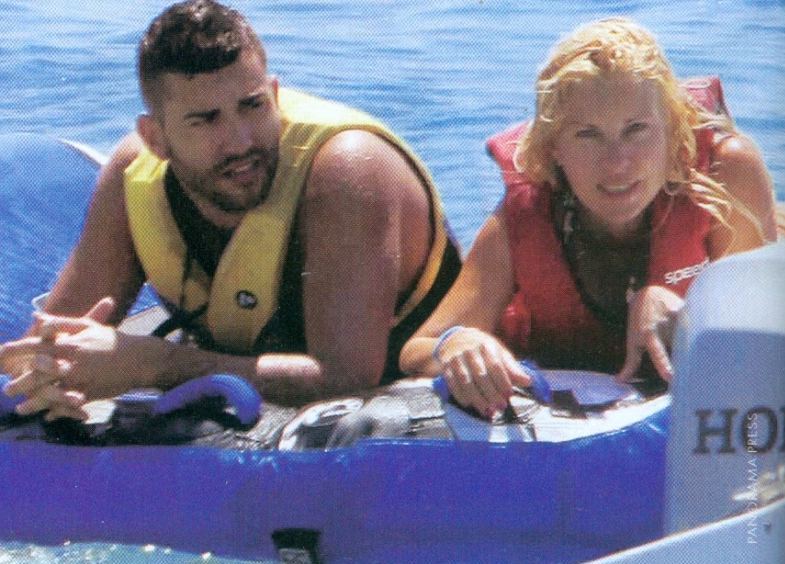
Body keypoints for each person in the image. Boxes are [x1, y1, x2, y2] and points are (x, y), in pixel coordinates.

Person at [1, 0, 461, 420]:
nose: (240, 142)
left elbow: (346, 378)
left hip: (406, 406)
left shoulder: (347, 171)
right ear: (155, 138)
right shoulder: (133, 176)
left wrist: (153, 365)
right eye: (206, 120)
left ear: (274, 95)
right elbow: (43, 344)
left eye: (252, 106)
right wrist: (49, 373)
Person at [399, 17, 777, 419]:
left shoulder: (727, 176)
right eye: (587, 134)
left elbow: (768, 343)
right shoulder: (526, 215)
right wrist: (457, 344)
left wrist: (693, 313)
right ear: (554, 148)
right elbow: (417, 349)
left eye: (636, 129)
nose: (617, 164)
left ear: (672, 132)